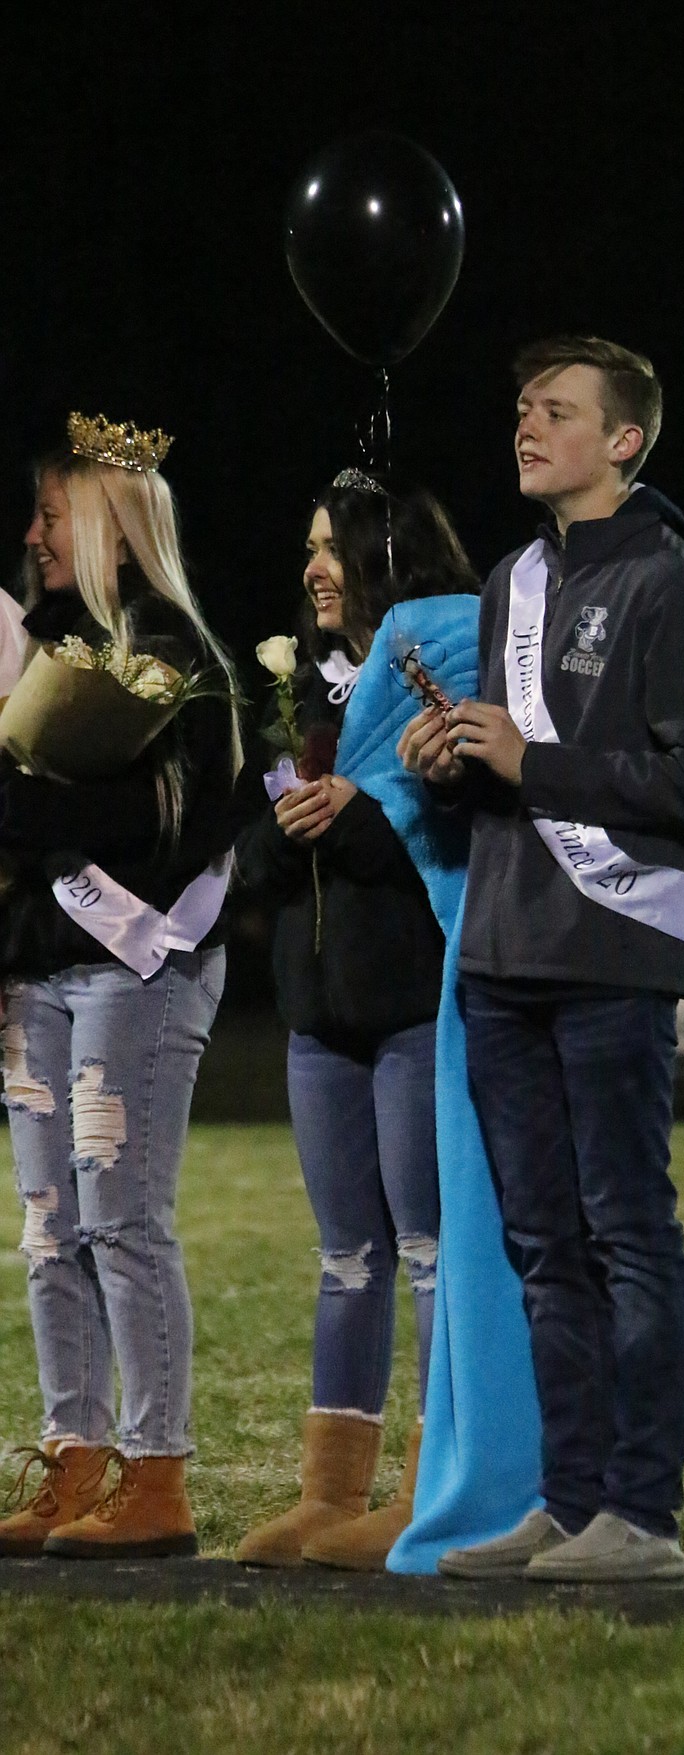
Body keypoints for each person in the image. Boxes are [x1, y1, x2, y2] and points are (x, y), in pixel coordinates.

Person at [399, 334, 684, 1582]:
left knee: (625, 1232)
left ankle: (644, 1519)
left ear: (625, 440)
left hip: (611, 955)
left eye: (557, 410)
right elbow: (506, 775)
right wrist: (447, 766)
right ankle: (569, 1501)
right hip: (505, 949)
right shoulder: (512, 579)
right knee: (542, 1244)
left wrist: (529, 761)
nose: (527, 425)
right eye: (520, 407)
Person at [0, 412, 241, 1559]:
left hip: (133, 969)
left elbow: (168, 829)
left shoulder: (175, 649)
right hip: (39, 971)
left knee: (121, 1221)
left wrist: (39, 814)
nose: (36, 535)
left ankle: (157, 1478)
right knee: (50, 1230)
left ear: (101, 521)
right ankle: (76, 1457)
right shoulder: (48, 643)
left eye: (52, 513)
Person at [233, 473, 478, 1571]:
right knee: (346, 1259)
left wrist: (368, 812)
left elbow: (454, 836)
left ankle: (435, 1489)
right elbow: (249, 861)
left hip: (412, 1008)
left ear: (392, 558)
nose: (313, 567)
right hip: (318, 1020)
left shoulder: (434, 677)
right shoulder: (299, 691)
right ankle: (330, 1495)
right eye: (309, 546)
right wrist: (293, 827)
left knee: (428, 1254)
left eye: (333, 548)